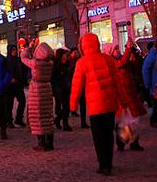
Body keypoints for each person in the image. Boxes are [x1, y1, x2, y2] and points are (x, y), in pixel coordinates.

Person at [70, 33, 120, 176]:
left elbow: (76, 86)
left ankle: (103, 164)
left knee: (98, 137)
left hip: (95, 107)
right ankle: (109, 163)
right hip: (110, 104)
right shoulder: (108, 59)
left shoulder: (82, 63)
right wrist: (124, 101)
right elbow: (118, 83)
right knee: (109, 135)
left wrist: (73, 105)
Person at [103, 42, 146, 152]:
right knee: (123, 121)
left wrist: (133, 50)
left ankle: (134, 142)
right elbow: (122, 62)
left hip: (130, 94)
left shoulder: (121, 60)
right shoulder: (111, 62)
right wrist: (128, 49)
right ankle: (121, 143)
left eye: (118, 48)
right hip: (121, 97)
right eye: (115, 49)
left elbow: (134, 63)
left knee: (133, 121)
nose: (118, 51)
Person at [21, 42, 55, 151]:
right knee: (48, 116)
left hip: (37, 90)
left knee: (37, 117)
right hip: (47, 88)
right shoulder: (50, 63)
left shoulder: (36, 64)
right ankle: (50, 143)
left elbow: (23, 57)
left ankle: (41, 143)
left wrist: (29, 47)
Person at [5, 45, 26, 128]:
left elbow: (22, 70)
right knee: (9, 104)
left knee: (22, 101)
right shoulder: (6, 61)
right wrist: (10, 79)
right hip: (10, 86)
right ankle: (9, 121)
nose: (14, 51)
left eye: (15, 49)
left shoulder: (18, 60)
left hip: (19, 85)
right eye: (12, 50)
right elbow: (5, 72)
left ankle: (19, 119)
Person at [52, 48, 73, 131]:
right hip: (59, 88)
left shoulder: (67, 63)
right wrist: (61, 74)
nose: (66, 56)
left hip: (67, 86)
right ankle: (63, 123)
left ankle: (60, 121)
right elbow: (53, 77)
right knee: (65, 106)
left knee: (67, 106)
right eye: (65, 54)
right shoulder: (56, 64)